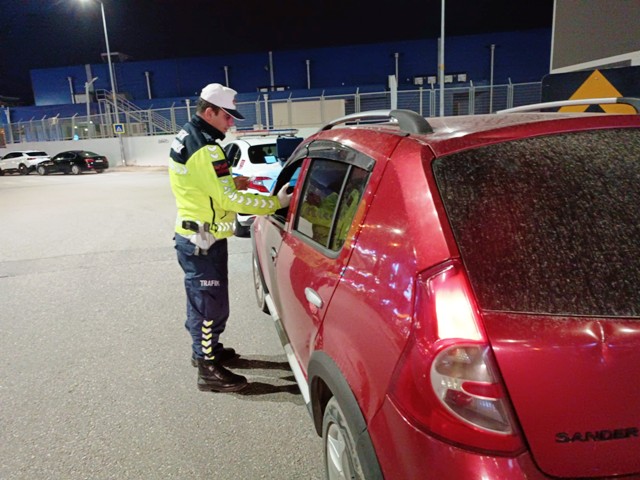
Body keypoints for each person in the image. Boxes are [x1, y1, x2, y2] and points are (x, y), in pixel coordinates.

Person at [168, 83, 291, 392]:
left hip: (197, 233)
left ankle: (207, 351)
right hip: (202, 238)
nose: (231, 123)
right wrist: (276, 203)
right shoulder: (206, 149)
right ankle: (207, 367)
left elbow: (199, 182)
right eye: (227, 116)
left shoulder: (188, 136)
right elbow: (230, 201)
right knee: (209, 305)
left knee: (203, 301)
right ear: (209, 112)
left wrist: (234, 180)